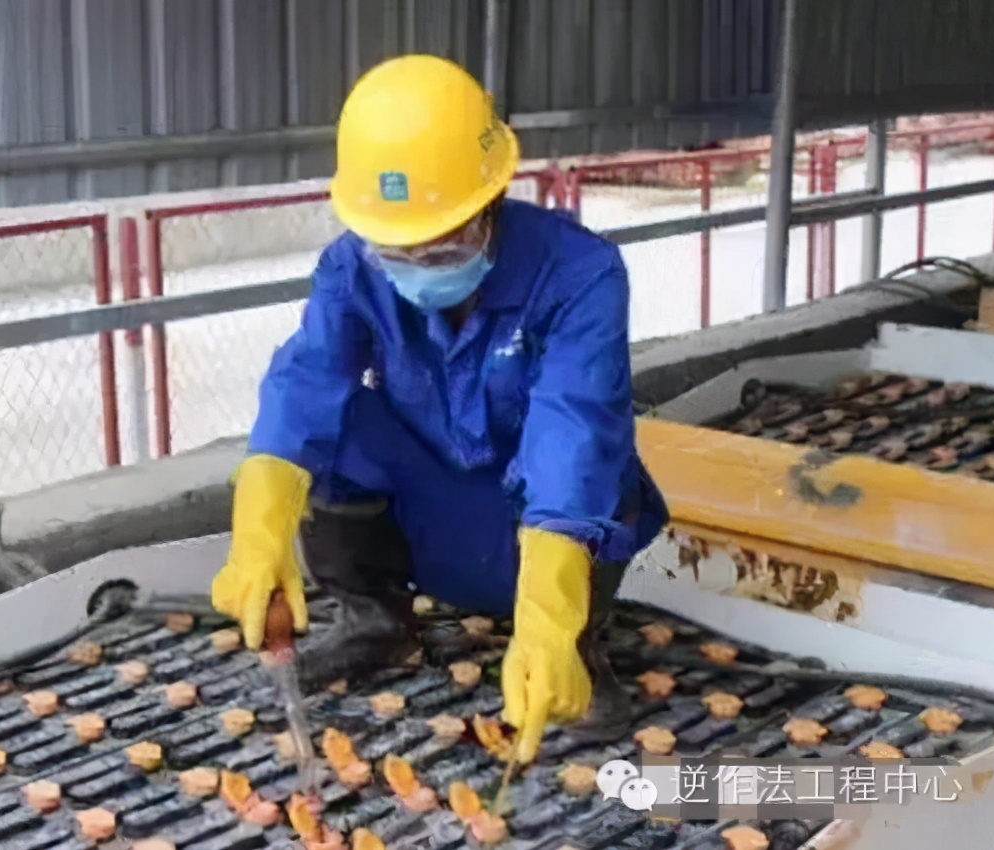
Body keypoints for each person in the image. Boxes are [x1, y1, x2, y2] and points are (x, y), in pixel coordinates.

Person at [210, 54, 668, 763]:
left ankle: (571, 645)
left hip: (534, 527)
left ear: (491, 203)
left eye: (443, 242)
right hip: (427, 503)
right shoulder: (351, 269)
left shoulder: (580, 274)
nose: (419, 264)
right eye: (396, 249)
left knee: (604, 464)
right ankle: (372, 618)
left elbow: (573, 431)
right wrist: (261, 518)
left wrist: (547, 614)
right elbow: (307, 384)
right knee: (333, 425)